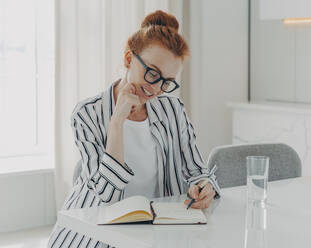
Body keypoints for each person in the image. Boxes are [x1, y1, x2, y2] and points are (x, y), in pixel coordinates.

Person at [48, 10, 221, 248]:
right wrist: (117, 123)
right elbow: (105, 196)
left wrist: (205, 188)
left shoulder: (173, 109)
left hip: (154, 232)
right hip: (95, 231)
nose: (157, 89)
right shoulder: (87, 113)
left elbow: (198, 170)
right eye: (152, 74)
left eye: (167, 82)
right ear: (129, 59)